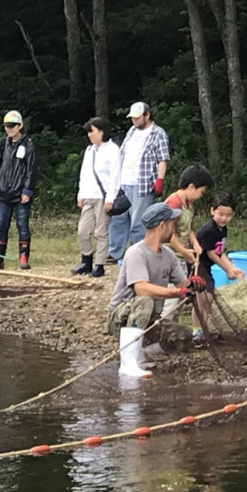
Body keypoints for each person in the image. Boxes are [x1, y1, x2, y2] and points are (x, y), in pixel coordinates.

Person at [106, 202, 199, 379]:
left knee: (183, 337)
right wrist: (175, 293)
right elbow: (141, 288)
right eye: (172, 223)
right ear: (161, 225)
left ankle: (142, 353)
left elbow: (182, 285)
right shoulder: (136, 253)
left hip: (151, 319)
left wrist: (192, 283)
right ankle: (128, 363)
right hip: (122, 317)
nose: (174, 228)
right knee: (145, 299)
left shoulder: (168, 255)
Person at [0, 110, 37, 269]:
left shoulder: (28, 144)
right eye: (7, 126)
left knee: (22, 225)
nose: (9, 129)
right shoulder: (1, 144)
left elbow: (31, 169)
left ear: (20, 126)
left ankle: (23, 256)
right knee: (1, 225)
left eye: (12, 126)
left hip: (20, 193)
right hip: (3, 192)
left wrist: (27, 190)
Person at [73, 117, 121, 278]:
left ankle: (99, 264)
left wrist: (110, 198)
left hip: (103, 195)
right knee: (83, 230)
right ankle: (86, 260)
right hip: (89, 195)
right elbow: (84, 174)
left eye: (91, 131)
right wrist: (81, 194)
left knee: (101, 231)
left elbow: (115, 176)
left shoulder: (113, 149)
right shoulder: (89, 150)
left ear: (101, 131)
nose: (89, 135)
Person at [118, 102, 171, 248]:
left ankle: (137, 248)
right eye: (132, 118)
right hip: (124, 180)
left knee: (138, 220)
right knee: (120, 217)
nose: (134, 121)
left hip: (143, 183)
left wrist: (159, 179)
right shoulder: (131, 132)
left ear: (147, 116)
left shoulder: (158, 133)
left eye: (137, 118)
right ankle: (116, 250)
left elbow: (162, 159)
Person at [192, 192, 244, 338]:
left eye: (228, 215)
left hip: (206, 267)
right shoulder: (209, 229)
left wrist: (232, 268)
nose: (224, 218)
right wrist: (227, 269)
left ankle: (203, 328)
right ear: (212, 211)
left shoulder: (223, 229)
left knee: (209, 297)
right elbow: (210, 253)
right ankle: (196, 330)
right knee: (202, 298)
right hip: (196, 265)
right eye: (220, 214)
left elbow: (220, 251)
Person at [163, 164, 213, 263]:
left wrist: (195, 244)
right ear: (191, 187)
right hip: (168, 255)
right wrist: (184, 251)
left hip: (180, 255)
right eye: (201, 192)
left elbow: (188, 229)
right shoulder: (174, 202)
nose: (201, 196)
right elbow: (168, 233)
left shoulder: (189, 205)